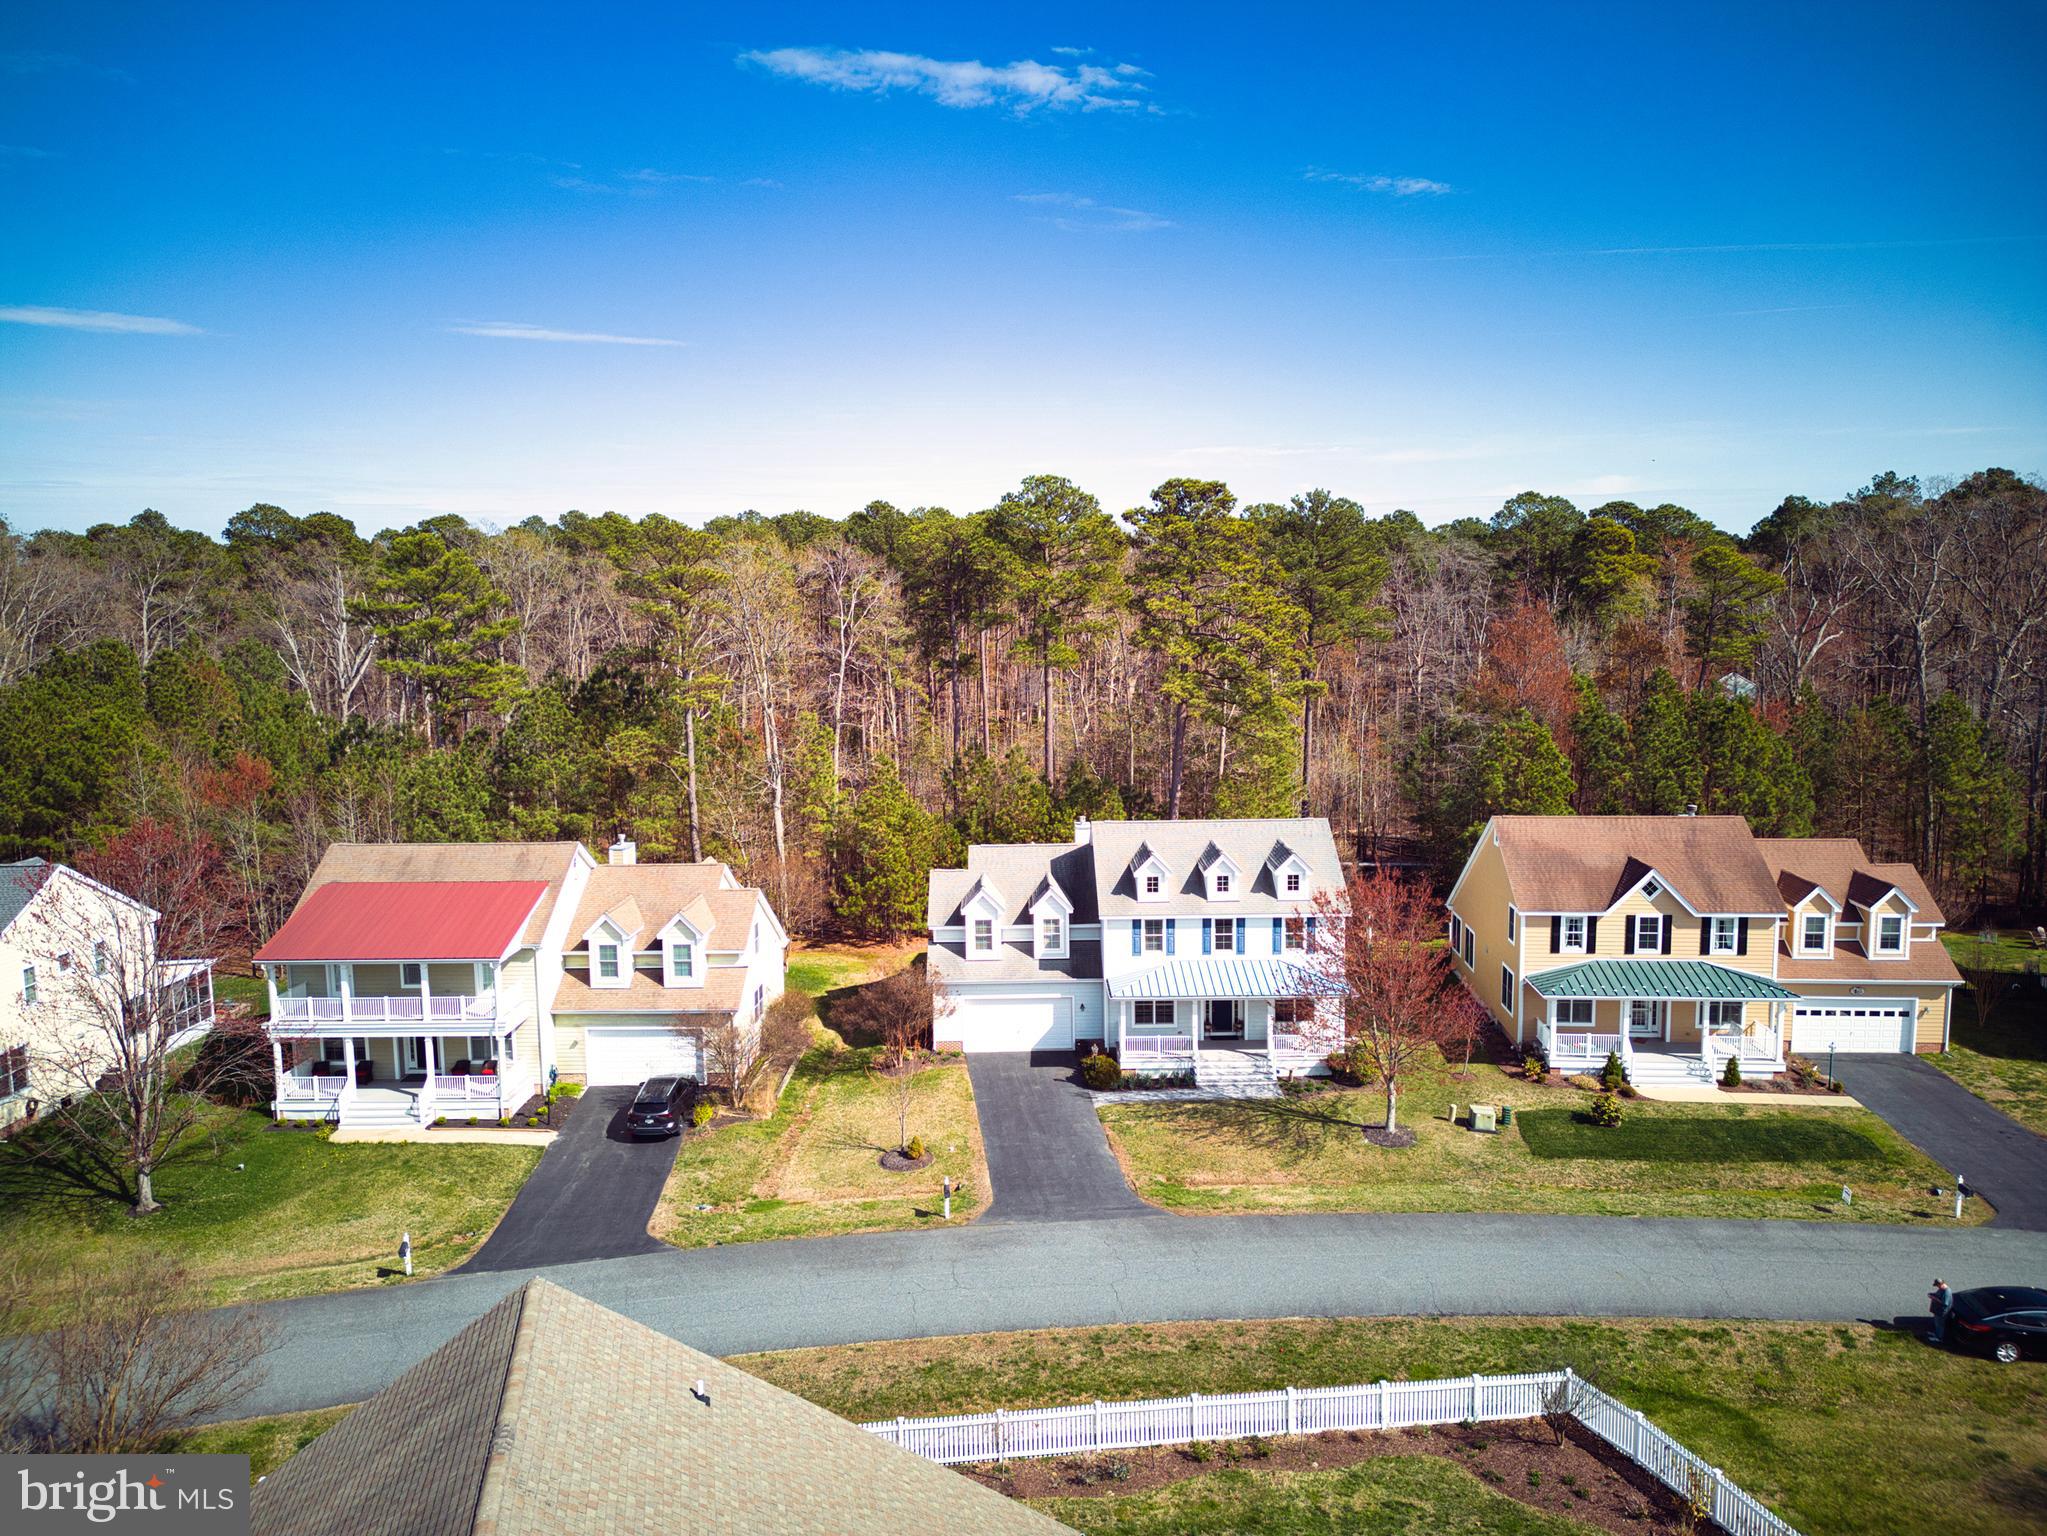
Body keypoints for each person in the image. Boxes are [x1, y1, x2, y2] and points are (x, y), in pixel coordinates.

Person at [1929, 1278, 1953, 1343]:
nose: (1937, 1287)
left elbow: (1945, 1303)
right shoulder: (1941, 1289)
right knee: (1937, 1323)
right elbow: (1938, 1295)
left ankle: (1939, 1338)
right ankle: (1936, 1334)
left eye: (1937, 1285)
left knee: (1940, 1325)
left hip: (1942, 1311)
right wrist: (1933, 1294)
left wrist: (1934, 1298)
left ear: (1940, 1284)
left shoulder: (1946, 1292)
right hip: (1937, 1310)